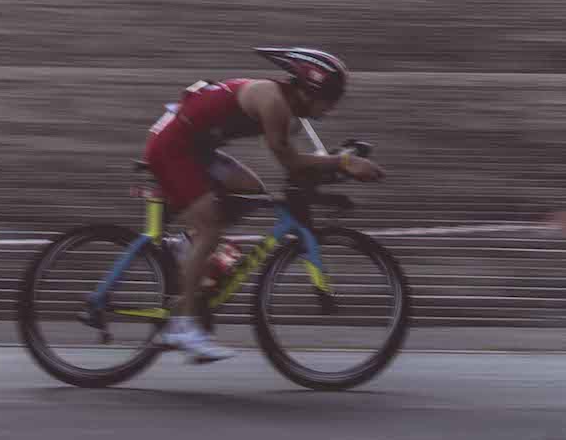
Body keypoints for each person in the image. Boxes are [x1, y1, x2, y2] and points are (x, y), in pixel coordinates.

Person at [141, 45, 386, 363]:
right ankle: (182, 327)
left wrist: (338, 165)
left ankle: (186, 246)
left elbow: (302, 166)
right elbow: (290, 161)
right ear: (312, 88)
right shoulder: (273, 102)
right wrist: (343, 164)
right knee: (212, 226)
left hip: (195, 146)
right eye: (331, 98)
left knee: (250, 190)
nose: (332, 108)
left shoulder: (293, 112)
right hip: (175, 147)